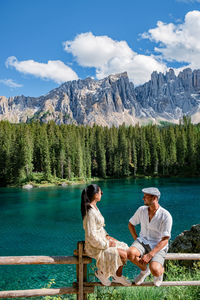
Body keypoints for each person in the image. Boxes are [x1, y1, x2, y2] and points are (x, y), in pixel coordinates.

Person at [81, 184, 131, 286]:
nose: (102, 194)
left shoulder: (94, 208)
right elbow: (91, 236)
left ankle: (116, 276)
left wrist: (107, 236)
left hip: (102, 239)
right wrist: (107, 244)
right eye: (100, 192)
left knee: (125, 248)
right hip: (94, 246)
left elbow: (99, 228)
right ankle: (103, 273)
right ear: (95, 195)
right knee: (123, 254)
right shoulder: (90, 212)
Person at [127, 187, 172, 287]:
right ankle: (144, 271)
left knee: (155, 270)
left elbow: (165, 240)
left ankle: (159, 273)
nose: (143, 199)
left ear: (154, 198)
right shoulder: (141, 210)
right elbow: (131, 224)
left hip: (158, 246)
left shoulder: (166, 216)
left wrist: (150, 254)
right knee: (130, 253)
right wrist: (136, 240)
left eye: (146, 197)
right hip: (142, 241)